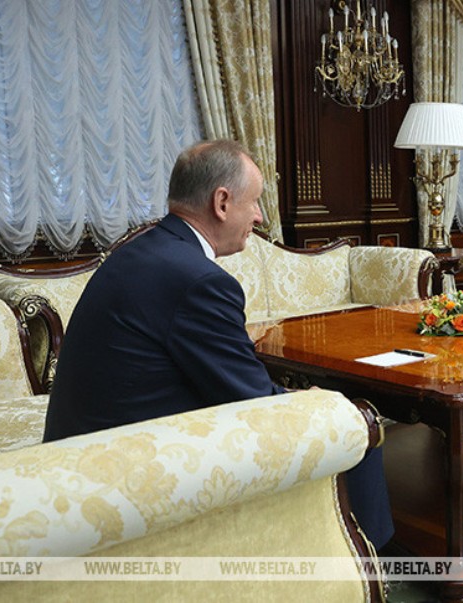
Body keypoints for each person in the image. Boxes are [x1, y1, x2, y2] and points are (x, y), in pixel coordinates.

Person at [43, 139, 393, 547]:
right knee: (354, 422)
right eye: (255, 201)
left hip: (81, 447)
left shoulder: (146, 251)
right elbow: (254, 404)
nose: (260, 216)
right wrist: (312, 402)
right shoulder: (199, 280)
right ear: (222, 202)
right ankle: (371, 561)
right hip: (123, 466)